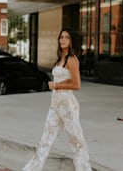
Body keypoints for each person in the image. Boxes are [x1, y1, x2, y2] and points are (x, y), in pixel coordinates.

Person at [23, 29, 92, 171]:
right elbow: (66, 78)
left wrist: (56, 85)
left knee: (76, 140)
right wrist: (58, 85)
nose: (63, 39)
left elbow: (77, 85)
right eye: (61, 37)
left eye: (67, 37)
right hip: (55, 105)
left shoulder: (72, 60)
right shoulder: (60, 59)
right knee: (45, 140)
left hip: (68, 105)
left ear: (72, 41)